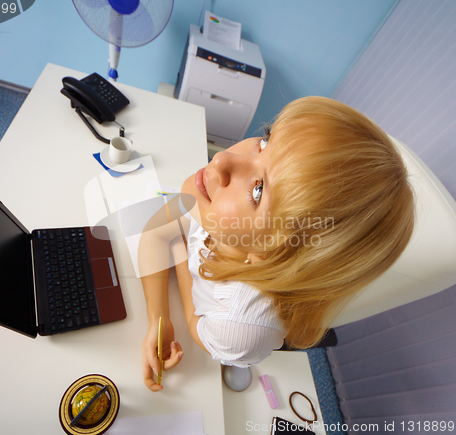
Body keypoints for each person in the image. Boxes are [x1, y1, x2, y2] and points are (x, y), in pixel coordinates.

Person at [138, 96, 415, 392]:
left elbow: (197, 327)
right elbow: (157, 230)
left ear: (274, 254)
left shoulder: (240, 328)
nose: (221, 160)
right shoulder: (215, 201)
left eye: (258, 191)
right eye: (266, 141)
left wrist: (179, 245)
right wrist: (158, 318)